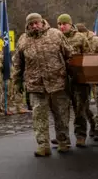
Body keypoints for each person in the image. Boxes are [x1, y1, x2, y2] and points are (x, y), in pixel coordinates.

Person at [13, 13, 73, 157]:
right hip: (36, 85)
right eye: (31, 24)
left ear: (42, 22)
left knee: (61, 114)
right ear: (27, 25)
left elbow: (69, 55)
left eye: (37, 23)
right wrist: (17, 82)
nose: (34, 26)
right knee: (39, 116)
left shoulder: (56, 35)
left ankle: (63, 142)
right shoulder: (23, 40)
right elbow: (17, 63)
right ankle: (43, 145)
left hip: (58, 83)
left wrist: (73, 76)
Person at [57, 14, 93, 147]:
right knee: (62, 110)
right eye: (59, 24)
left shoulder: (80, 37)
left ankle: (81, 135)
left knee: (80, 109)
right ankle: (63, 136)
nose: (62, 27)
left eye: (64, 24)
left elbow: (89, 56)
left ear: (70, 24)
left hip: (79, 79)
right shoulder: (56, 37)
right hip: (62, 79)